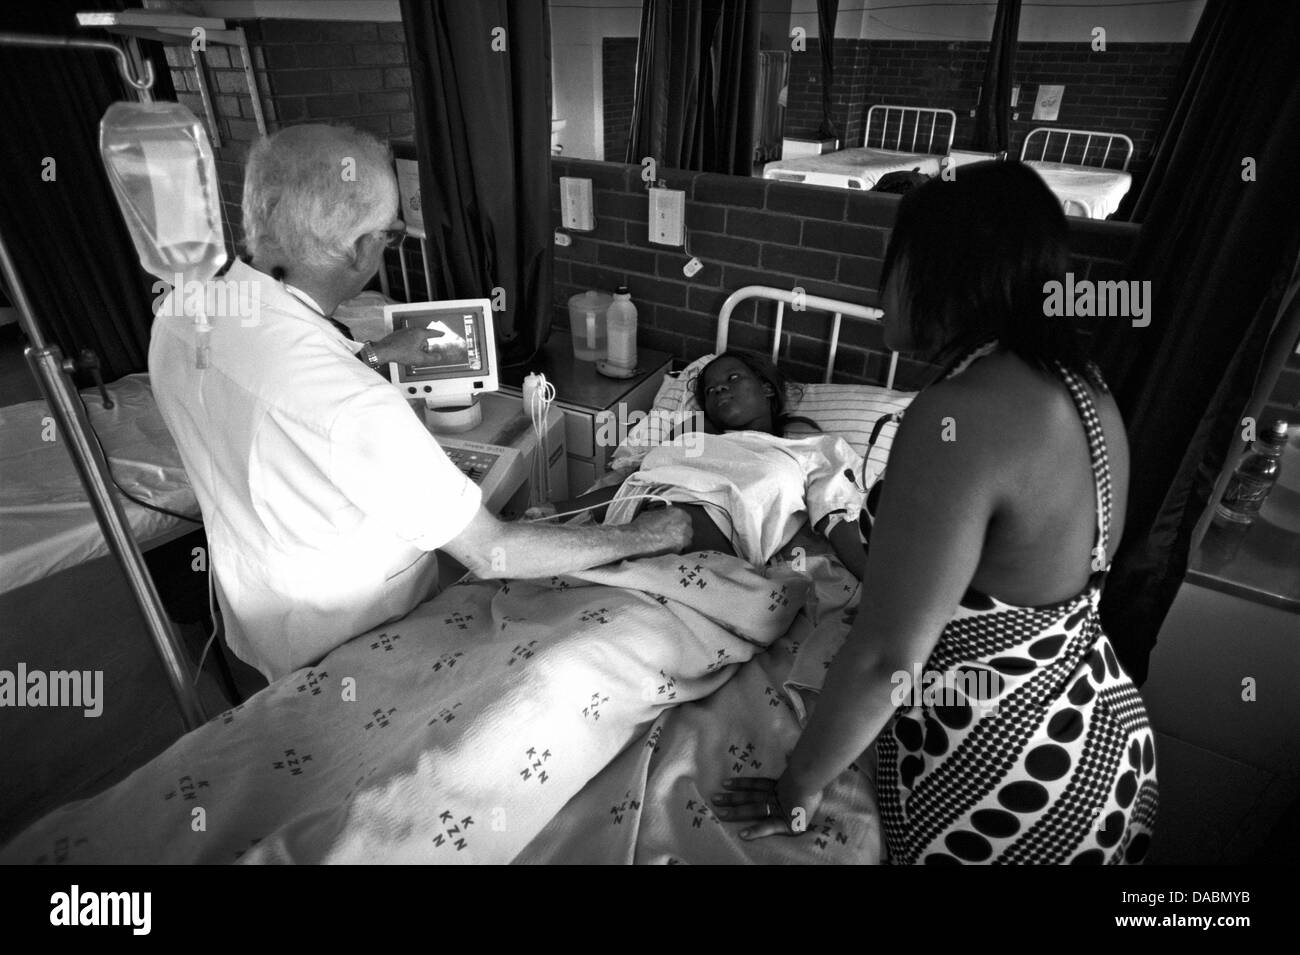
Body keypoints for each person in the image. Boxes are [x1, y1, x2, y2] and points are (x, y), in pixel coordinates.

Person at [711, 160, 1158, 864]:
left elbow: (889, 656)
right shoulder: (1083, 389)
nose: (879, 289)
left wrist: (798, 785)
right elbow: (984, 586)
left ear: (939, 268)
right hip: (1098, 728)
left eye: (892, 262)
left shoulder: (958, 416)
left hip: (1007, 772)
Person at [149, 124, 689, 682]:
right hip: (351, 644)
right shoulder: (355, 405)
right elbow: (491, 550)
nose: (388, 246)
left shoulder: (184, 309)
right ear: (362, 247)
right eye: (393, 235)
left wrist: (379, 354)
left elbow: (281, 383)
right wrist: (650, 534)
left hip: (255, 604)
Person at [527, 351, 868, 576]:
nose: (719, 390)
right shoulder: (694, 440)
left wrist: (869, 582)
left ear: (766, 388)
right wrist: (551, 512)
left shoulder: (811, 449)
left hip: (691, 551)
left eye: (733, 379)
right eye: (711, 390)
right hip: (623, 519)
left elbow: (837, 515)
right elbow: (634, 483)